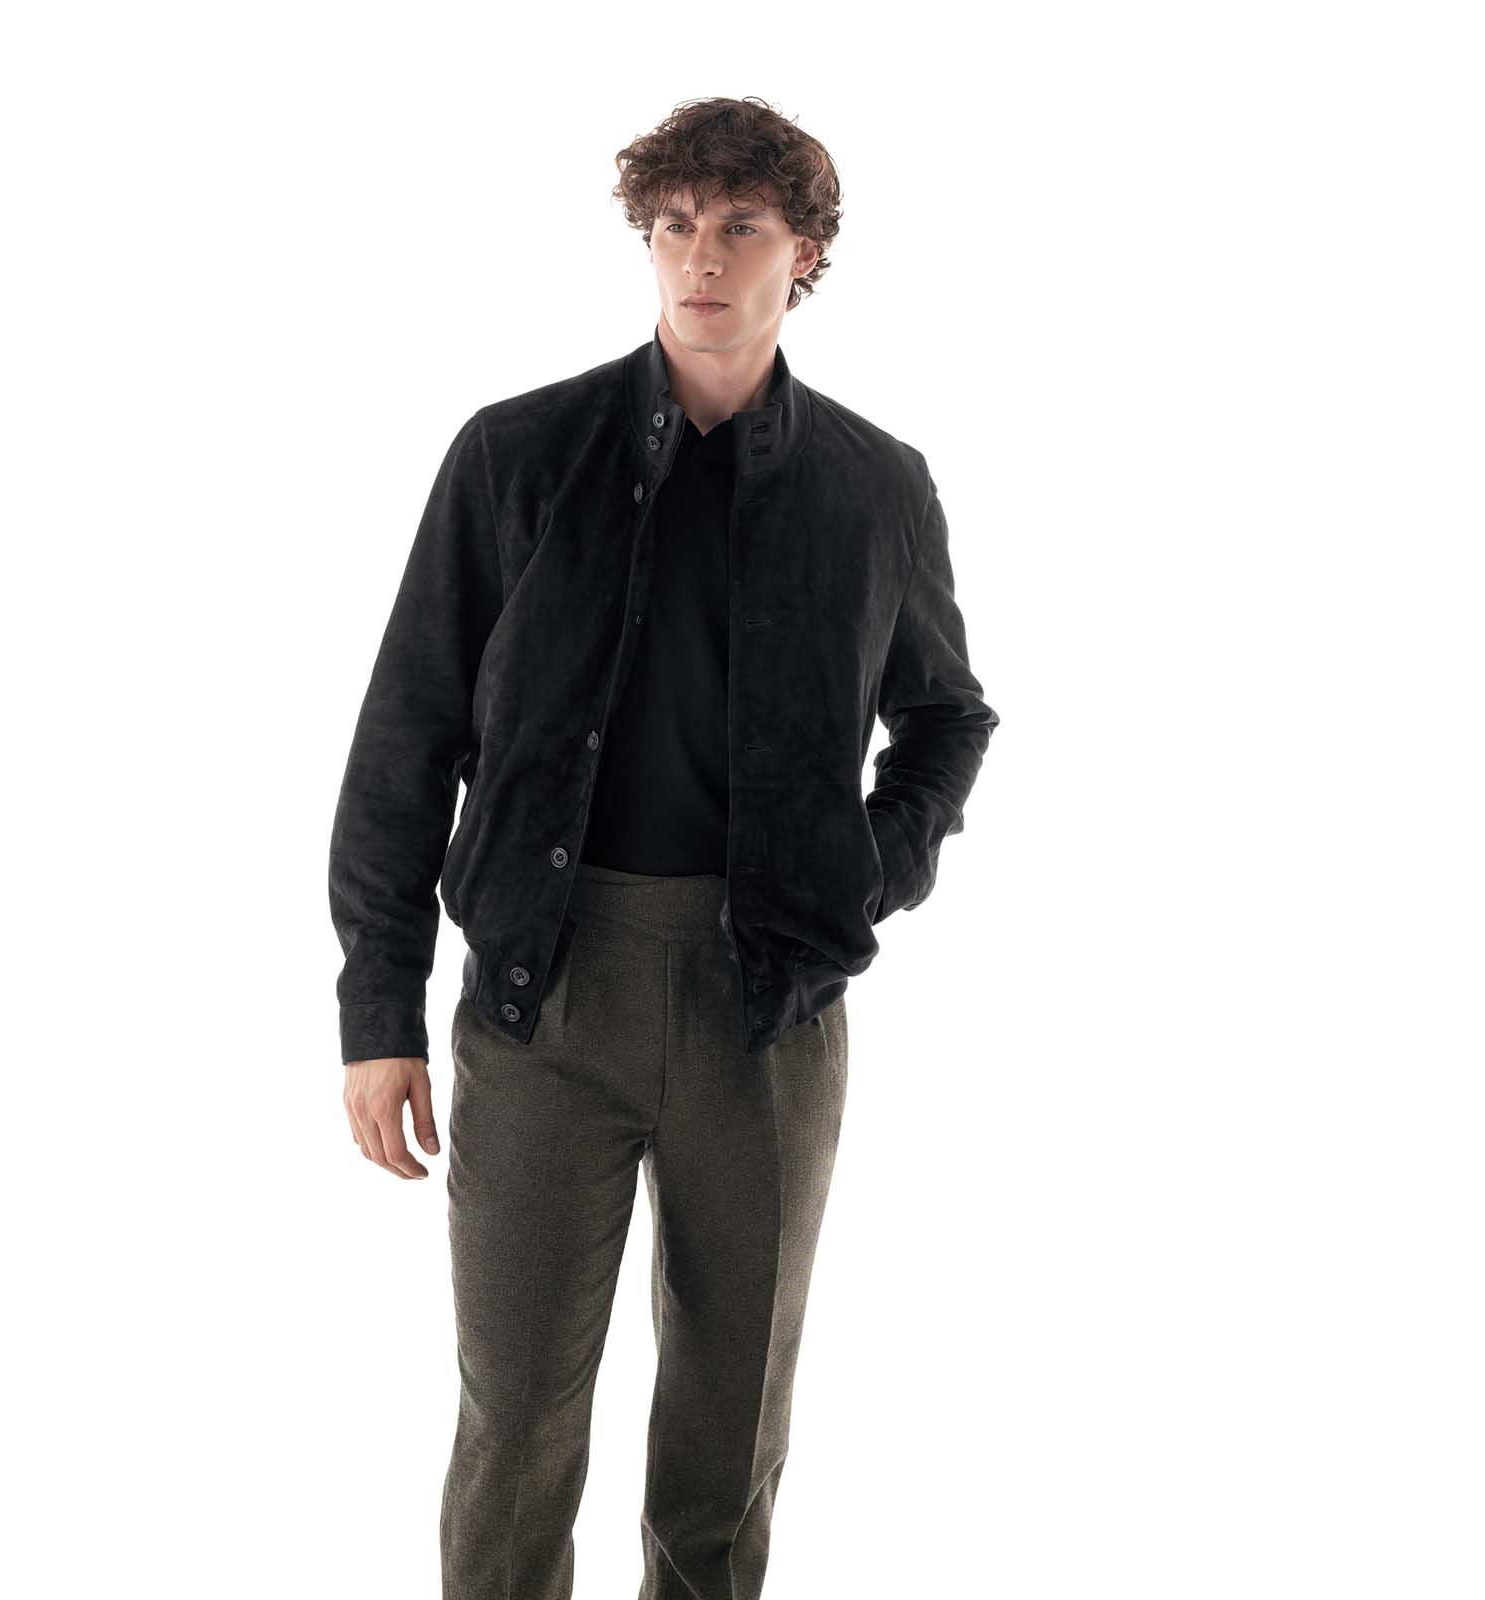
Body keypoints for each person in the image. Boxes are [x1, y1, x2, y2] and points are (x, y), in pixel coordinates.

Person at [328, 94, 999, 1600]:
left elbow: (947, 716)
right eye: (675, 225)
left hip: (768, 1008)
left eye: (739, 228)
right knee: (515, 1425)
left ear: (802, 254)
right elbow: (405, 738)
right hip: (543, 997)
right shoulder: (517, 455)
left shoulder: (874, 484)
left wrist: (867, 871)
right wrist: (379, 1012)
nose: (701, 258)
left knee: (727, 1433)